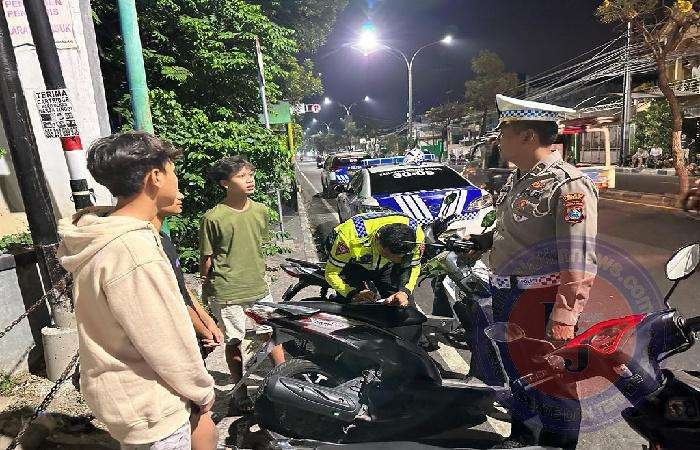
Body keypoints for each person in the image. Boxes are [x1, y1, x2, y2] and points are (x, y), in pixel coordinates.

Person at [58, 132, 215, 450]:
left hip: (124, 398)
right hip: (151, 406)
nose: (176, 181)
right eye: (172, 172)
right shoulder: (133, 250)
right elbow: (164, 340)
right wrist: (202, 391)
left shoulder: (101, 234)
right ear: (155, 177)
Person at [481, 95, 598, 449]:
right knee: (519, 373)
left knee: (552, 380)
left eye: (503, 132)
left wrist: (565, 314)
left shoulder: (568, 185)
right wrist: (483, 243)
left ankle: (557, 445)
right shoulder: (519, 178)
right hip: (507, 293)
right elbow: (515, 231)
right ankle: (524, 438)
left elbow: (578, 256)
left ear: (527, 136)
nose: (498, 140)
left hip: (539, 299)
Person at [199, 156, 284, 416]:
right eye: (241, 176)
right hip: (227, 290)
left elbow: (257, 246)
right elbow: (207, 258)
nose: (249, 180)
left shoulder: (260, 210)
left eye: (250, 174)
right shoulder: (213, 217)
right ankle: (240, 392)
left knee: (272, 334)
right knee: (234, 340)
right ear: (225, 183)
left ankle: (284, 383)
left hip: (258, 285)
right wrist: (205, 287)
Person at [153, 193, 223, 450]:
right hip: (173, 343)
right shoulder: (148, 247)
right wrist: (202, 329)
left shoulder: (163, 237)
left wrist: (207, 322)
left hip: (188, 334)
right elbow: (173, 300)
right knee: (197, 411)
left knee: (199, 412)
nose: (181, 195)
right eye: (173, 184)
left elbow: (182, 289)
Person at [324, 212, 424, 307]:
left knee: (404, 305)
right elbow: (331, 273)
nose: (394, 259)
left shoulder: (416, 236)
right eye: (387, 255)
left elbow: (414, 266)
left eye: (398, 257)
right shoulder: (349, 237)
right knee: (354, 305)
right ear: (377, 238)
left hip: (385, 266)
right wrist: (352, 293)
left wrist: (404, 292)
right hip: (351, 263)